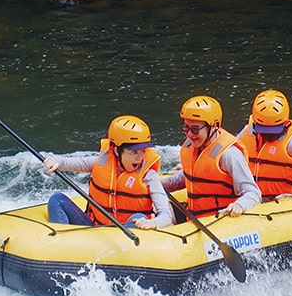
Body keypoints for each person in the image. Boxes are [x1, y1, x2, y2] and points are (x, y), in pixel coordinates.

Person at [43, 115, 174, 229]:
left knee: (138, 217)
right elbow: (72, 163)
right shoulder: (100, 163)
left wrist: (152, 223)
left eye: (143, 151)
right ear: (116, 150)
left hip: (126, 234)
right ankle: (61, 244)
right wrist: (56, 161)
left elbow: (165, 216)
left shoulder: (149, 176)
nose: (139, 158)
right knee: (57, 199)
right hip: (95, 227)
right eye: (134, 152)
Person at [159, 95, 261, 223]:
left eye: (195, 129)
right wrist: (154, 186)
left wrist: (239, 205)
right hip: (194, 214)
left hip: (218, 220)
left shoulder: (229, 154)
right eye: (186, 127)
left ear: (214, 126)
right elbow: (187, 179)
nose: (189, 134)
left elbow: (253, 193)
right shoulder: (190, 146)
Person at [238, 89, 292, 201]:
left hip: (281, 200)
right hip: (250, 197)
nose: (268, 134)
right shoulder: (247, 132)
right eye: (264, 130)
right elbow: (231, 151)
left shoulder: (290, 143)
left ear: (285, 123)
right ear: (255, 123)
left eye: (273, 130)